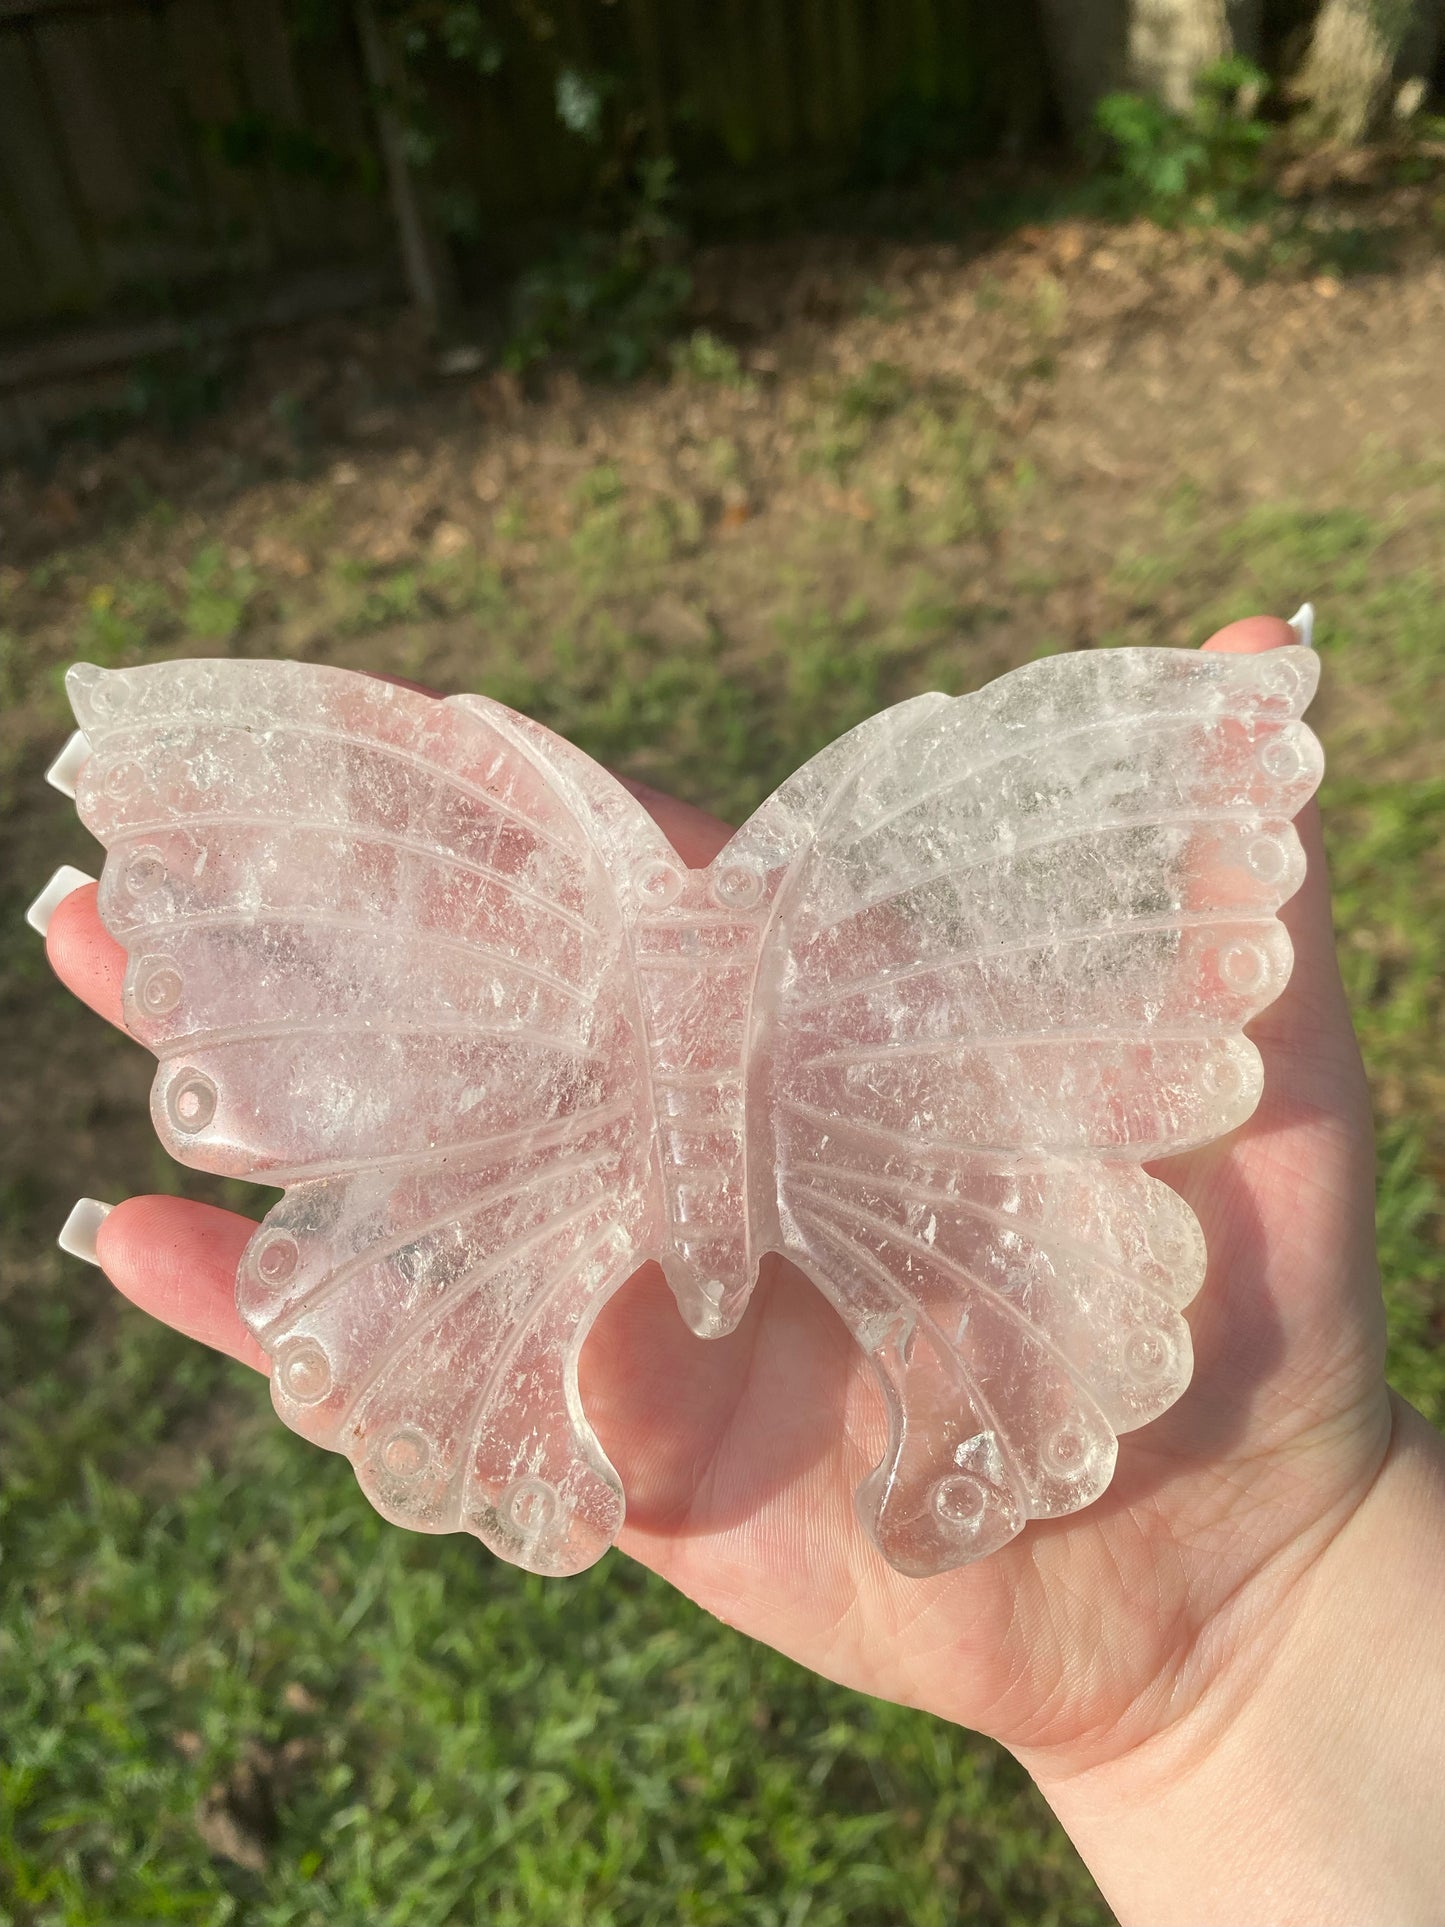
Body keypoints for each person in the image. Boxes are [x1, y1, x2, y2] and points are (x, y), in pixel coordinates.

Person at [34, 615, 1445, 1927]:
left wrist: (1279, 1626)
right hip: (823, 1153)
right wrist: (1263, 1669)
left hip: (873, 1162)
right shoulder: (888, 838)